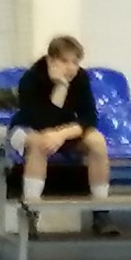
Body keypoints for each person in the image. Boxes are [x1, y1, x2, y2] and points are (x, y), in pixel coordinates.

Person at [10, 35, 112, 235]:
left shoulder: (81, 78)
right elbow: (40, 122)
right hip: (27, 127)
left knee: (97, 141)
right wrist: (61, 87)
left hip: (63, 130)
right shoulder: (31, 78)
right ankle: (31, 212)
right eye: (65, 61)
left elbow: (89, 118)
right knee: (40, 143)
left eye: (75, 62)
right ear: (51, 60)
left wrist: (63, 134)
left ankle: (101, 211)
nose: (71, 68)